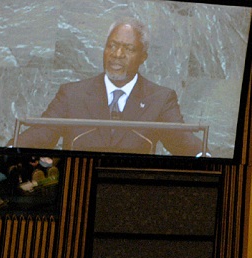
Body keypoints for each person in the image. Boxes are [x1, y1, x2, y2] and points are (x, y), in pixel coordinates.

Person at [14, 19, 205, 156]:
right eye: (112, 46)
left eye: (128, 49)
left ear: (143, 57)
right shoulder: (72, 95)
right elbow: (40, 134)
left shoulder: (160, 99)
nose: (117, 54)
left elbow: (183, 142)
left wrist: (205, 158)